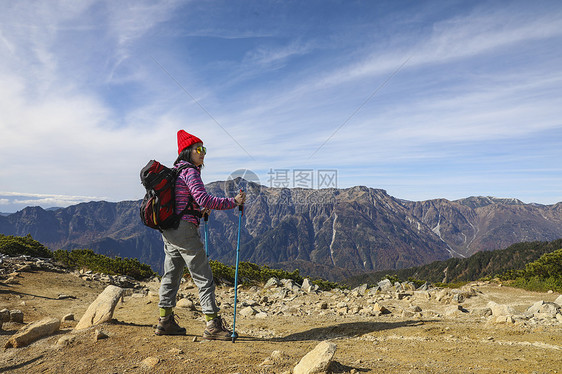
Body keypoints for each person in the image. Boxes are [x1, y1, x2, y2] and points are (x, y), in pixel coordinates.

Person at [155, 129, 246, 340]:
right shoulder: (190, 172)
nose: (203, 153)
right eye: (199, 149)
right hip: (185, 231)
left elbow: (185, 203)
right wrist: (234, 202)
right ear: (187, 151)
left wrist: (197, 210)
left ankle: (164, 321)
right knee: (204, 277)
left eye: (204, 149)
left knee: (171, 275)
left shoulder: (175, 172)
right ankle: (212, 326)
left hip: (169, 230)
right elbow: (204, 199)